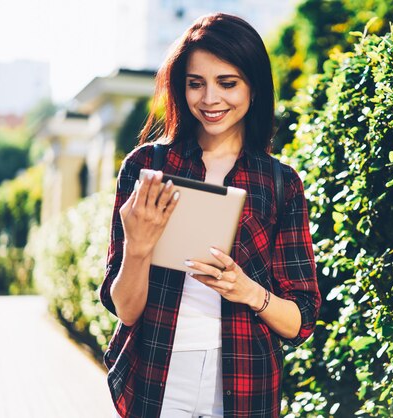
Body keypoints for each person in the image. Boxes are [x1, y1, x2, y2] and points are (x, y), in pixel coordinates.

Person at [99, 12, 321, 418]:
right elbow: (125, 310)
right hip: (157, 374)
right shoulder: (147, 167)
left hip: (244, 381)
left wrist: (247, 290)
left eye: (227, 83)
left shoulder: (279, 183)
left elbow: (300, 320)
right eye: (195, 83)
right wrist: (138, 247)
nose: (209, 99)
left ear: (254, 87)